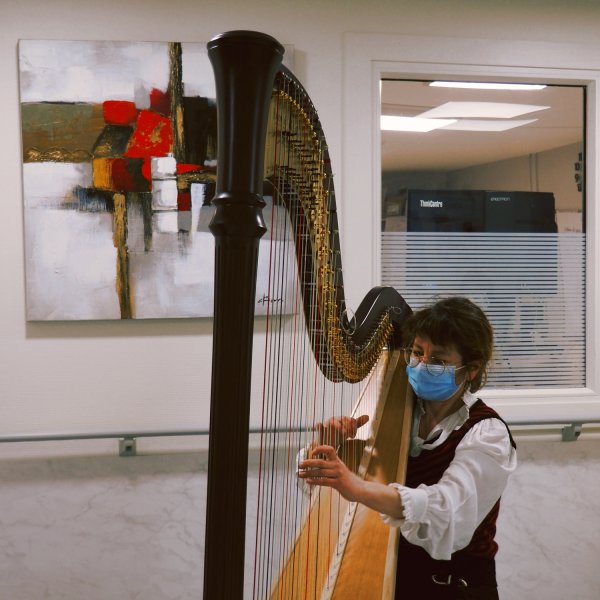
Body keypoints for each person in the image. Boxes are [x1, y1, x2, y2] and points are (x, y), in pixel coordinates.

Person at [297, 296, 517, 599]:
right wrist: (327, 450)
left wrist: (357, 487)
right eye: (416, 352)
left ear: (471, 369)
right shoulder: (396, 410)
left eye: (438, 360)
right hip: (399, 582)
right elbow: (328, 487)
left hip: (454, 587)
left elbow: (446, 511)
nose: (422, 365)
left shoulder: (487, 433)